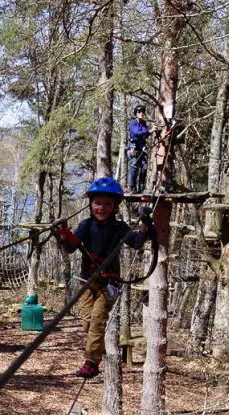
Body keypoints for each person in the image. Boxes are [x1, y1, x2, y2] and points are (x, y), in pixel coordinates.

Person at [53, 177, 151, 379]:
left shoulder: (119, 227)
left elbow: (136, 242)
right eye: (97, 203)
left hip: (109, 283)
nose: (102, 208)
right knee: (88, 323)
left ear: (115, 206)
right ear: (90, 204)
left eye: (108, 204)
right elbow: (71, 247)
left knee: (97, 320)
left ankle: (91, 362)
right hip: (86, 282)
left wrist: (144, 223)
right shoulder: (86, 225)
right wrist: (62, 234)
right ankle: (97, 350)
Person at [128, 105, 151, 193]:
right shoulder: (133, 122)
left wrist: (150, 132)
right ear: (136, 113)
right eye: (139, 111)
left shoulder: (144, 124)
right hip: (133, 148)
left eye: (142, 111)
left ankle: (142, 189)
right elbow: (137, 133)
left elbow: (144, 135)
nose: (141, 113)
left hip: (142, 149)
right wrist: (149, 131)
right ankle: (133, 188)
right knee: (134, 168)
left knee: (144, 168)